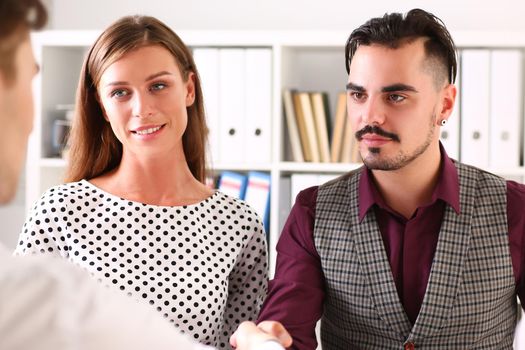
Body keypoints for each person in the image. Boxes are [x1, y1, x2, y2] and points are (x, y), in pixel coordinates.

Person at [255, 8, 525, 349]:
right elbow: (284, 330)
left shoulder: (515, 209)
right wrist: (267, 340)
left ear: (444, 104)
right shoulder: (312, 213)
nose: (370, 116)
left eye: (395, 96)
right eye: (358, 95)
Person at [14, 14, 269, 349]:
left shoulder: (238, 223)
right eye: (120, 92)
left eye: (158, 86)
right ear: (102, 107)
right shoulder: (60, 211)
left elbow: (239, 339)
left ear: (189, 89)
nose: (142, 108)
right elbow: (20, 331)